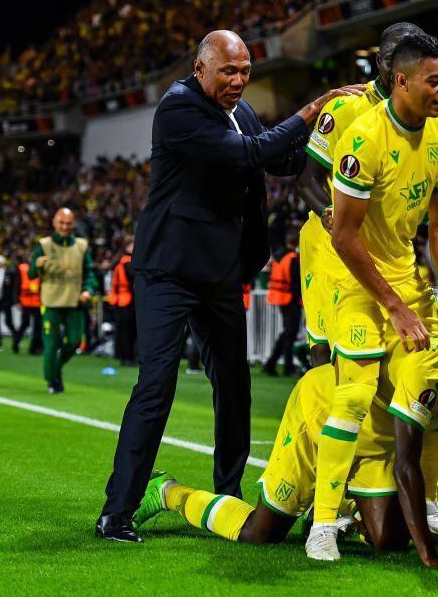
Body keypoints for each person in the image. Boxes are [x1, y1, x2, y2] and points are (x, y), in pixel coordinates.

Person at [97, 30, 360, 543]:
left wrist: (333, 128)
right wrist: (310, 111)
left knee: (235, 386)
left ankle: (229, 491)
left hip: (218, 272)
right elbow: (250, 153)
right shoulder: (177, 109)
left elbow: (281, 159)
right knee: (156, 386)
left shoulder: (238, 111)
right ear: (201, 69)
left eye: (245, 71)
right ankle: (117, 510)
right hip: (168, 272)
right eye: (228, 72)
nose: (239, 81)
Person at [131, 313, 438, 568]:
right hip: (324, 414)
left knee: (388, 542)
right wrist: (430, 558)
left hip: (379, 440)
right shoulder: (428, 370)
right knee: (260, 535)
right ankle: (169, 492)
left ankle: (346, 507)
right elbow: (408, 465)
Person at [309, 33, 438, 561]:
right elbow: (345, 236)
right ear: (400, 81)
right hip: (352, 278)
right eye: (434, 80)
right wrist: (395, 308)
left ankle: (430, 507)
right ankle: (325, 522)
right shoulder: (363, 136)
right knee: (354, 392)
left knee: (433, 386)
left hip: (403, 274)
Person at [297, 22, 425, 367]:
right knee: (328, 351)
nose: (393, 66)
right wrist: (333, 218)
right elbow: (306, 180)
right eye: (387, 58)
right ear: (380, 60)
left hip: (385, 245)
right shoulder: (347, 108)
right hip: (331, 243)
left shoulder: (423, 118)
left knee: (399, 353)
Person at [29, 207, 98, 394]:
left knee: (75, 341)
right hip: (51, 302)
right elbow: (30, 274)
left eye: (68, 223)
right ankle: (52, 381)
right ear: (54, 222)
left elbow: (89, 272)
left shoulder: (82, 246)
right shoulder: (43, 245)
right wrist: (36, 265)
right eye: (61, 222)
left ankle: (57, 368)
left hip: (75, 302)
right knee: (51, 344)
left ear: (73, 224)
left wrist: (88, 289)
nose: (65, 227)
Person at [262, 231, 302, 377]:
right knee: (290, 333)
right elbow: (297, 283)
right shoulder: (292, 259)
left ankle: (271, 363)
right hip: (291, 299)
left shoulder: (279, 257)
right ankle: (287, 367)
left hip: (279, 298)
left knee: (287, 332)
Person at [109, 238, 137, 366]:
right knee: (128, 331)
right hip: (126, 299)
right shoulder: (127, 261)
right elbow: (133, 276)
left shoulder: (121, 261)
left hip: (120, 299)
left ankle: (122, 354)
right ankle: (127, 357)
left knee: (123, 330)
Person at [13, 256, 43, 355]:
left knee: (37, 326)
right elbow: (17, 284)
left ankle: (35, 348)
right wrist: (17, 300)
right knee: (25, 324)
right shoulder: (22, 268)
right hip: (26, 301)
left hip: (38, 302)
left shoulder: (42, 268)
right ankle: (16, 343)